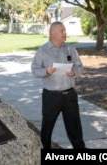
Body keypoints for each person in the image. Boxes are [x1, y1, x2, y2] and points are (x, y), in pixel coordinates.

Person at [31, 21, 86, 149]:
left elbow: (79, 66)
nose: (65, 33)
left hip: (70, 96)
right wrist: (46, 71)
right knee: (47, 126)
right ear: (53, 34)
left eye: (65, 30)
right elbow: (34, 70)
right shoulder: (42, 51)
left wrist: (74, 72)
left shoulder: (70, 49)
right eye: (62, 31)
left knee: (75, 127)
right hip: (51, 96)